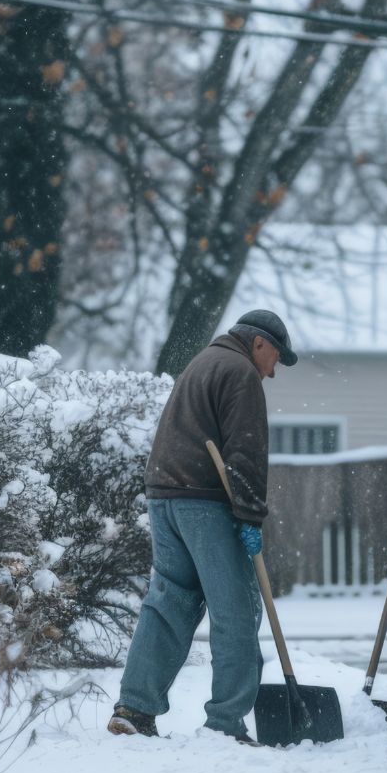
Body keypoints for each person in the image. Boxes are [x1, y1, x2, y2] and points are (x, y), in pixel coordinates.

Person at [107, 309, 297, 742]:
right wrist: (249, 515)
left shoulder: (202, 362)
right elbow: (245, 452)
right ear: (259, 343)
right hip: (205, 504)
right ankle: (226, 723)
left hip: (164, 498)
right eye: (276, 359)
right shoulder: (240, 371)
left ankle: (134, 708)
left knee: (170, 604)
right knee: (236, 609)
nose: (273, 372)